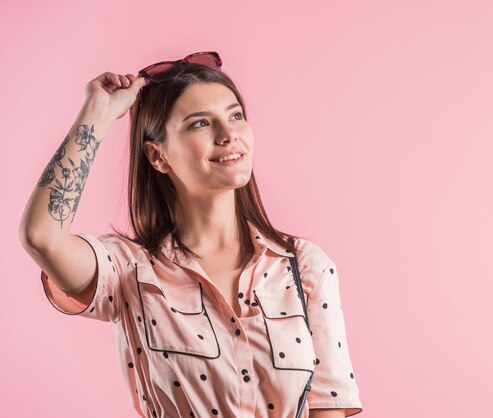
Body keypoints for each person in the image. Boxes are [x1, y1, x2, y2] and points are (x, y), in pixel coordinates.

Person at [18, 51, 363, 418]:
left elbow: (330, 406)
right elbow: (42, 236)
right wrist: (97, 115)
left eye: (235, 116)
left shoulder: (304, 265)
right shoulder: (128, 271)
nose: (228, 134)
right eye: (200, 124)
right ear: (158, 156)